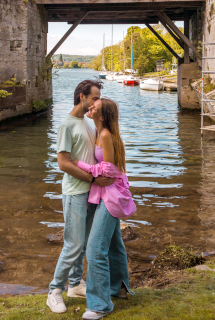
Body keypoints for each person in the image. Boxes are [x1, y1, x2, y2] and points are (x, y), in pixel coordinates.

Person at [47, 80, 115, 314]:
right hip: (76, 192)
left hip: (92, 194)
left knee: (83, 243)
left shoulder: (88, 123)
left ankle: (75, 284)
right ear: (82, 97)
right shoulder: (67, 125)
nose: (97, 102)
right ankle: (54, 290)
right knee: (73, 244)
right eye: (94, 98)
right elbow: (63, 163)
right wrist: (93, 179)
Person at [71, 98, 136, 320]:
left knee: (95, 248)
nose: (90, 107)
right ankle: (117, 288)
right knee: (114, 243)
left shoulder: (106, 134)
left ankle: (100, 305)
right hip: (105, 194)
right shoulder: (97, 131)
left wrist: (78, 164)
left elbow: (107, 170)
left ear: (103, 116)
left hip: (111, 196)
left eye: (94, 107)